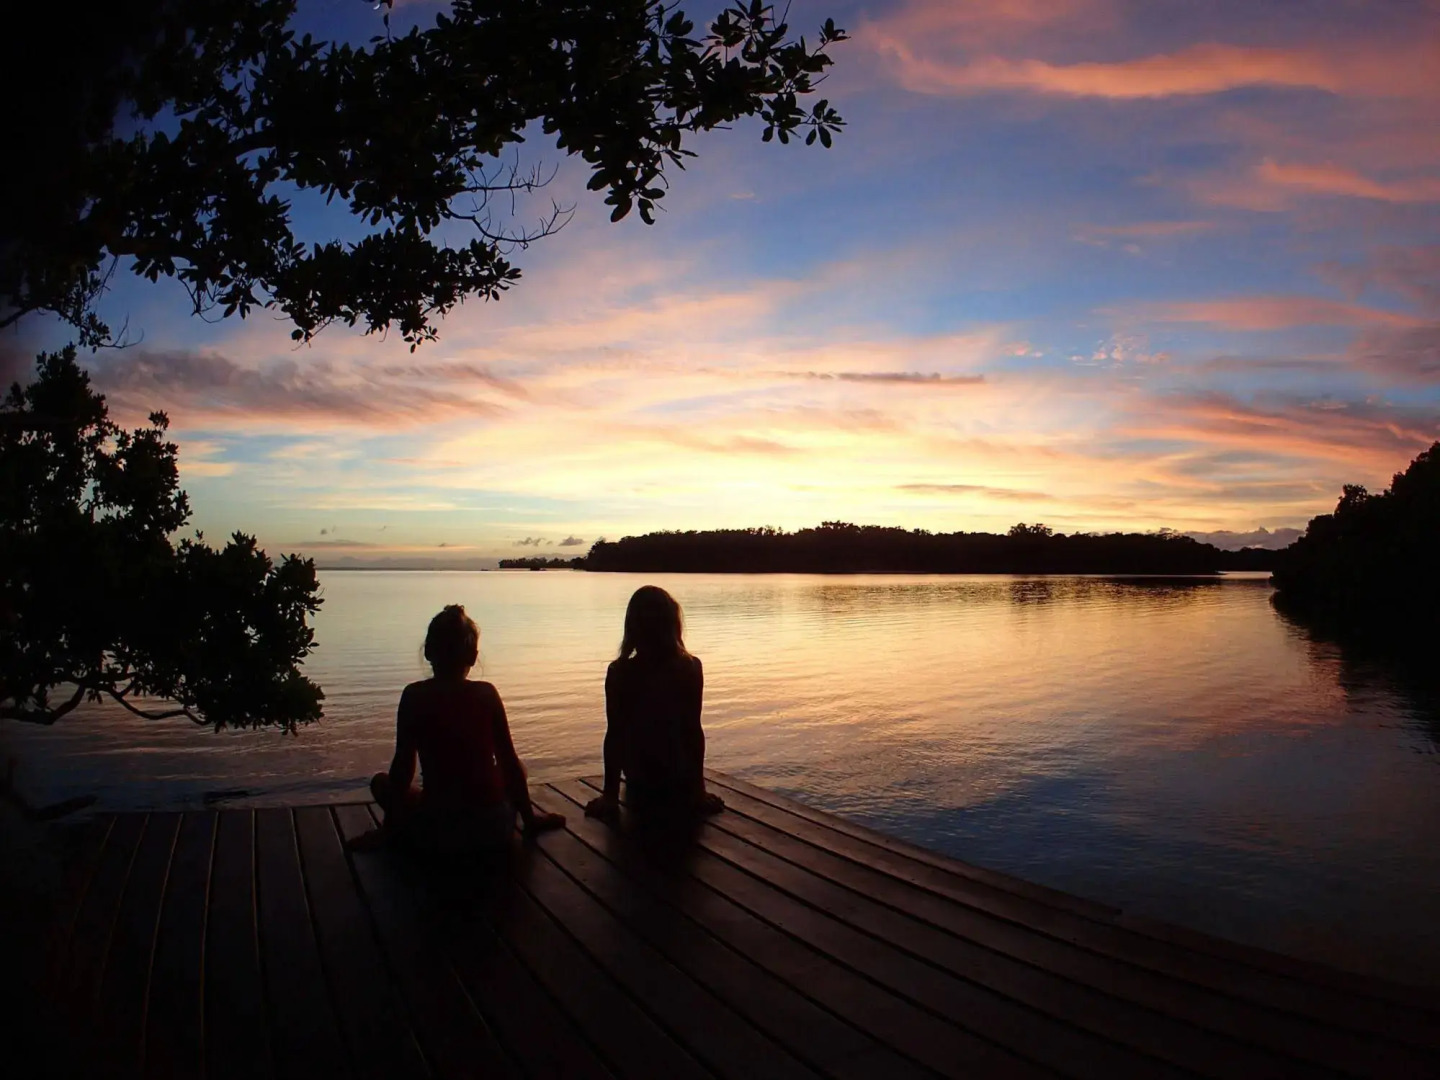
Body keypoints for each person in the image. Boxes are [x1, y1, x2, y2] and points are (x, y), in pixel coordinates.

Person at [367, 604, 563, 852]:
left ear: (428, 652)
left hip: (436, 827)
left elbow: (403, 767)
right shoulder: (486, 694)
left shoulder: (414, 696)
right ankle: (526, 821)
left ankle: (403, 833)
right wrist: (530, 819)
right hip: (491, 828)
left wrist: (388, 830)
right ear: (472, 656)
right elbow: (509, 763)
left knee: (380, 783)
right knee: (519, 768)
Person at [585, 586, 724, 821]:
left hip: (638, 777)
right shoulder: (690, 668)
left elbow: (615, 735)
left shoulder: (619, 672)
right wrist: (698, 791)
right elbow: (692, 731)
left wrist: (609, 796)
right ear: (672, 626)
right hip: (677, 776)